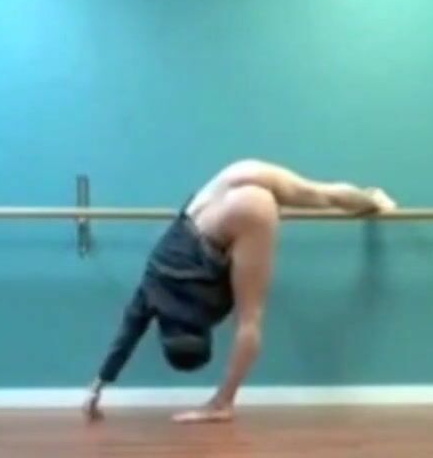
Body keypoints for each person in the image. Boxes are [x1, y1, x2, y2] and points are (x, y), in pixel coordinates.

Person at [83, 159, 397, 424]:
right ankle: (372, 199)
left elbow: (247, 321)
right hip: (223, 184)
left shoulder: (210, 309)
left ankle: (223, 403)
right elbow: (125, 337)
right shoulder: (149, 291)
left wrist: (100, 386)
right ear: (165, 335)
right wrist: (96, 387)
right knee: (318, 194)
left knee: (250, 319)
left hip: (243, 213)